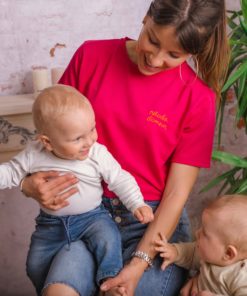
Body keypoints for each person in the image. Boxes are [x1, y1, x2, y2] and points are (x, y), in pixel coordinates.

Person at [20, 0, 230, 295]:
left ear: (192, 53)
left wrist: (139, 263)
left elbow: (176, 194)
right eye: (153, 41)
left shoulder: (199, 99)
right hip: (84, 215)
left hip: (151, 224)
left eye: (174, 54)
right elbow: (48, 138)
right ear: (146, 18)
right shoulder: (91, 56)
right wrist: (29, 184)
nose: (155, 60)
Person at [0, 84, 154, 295]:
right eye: (77, 138)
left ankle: (110, 281)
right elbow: (10, 172)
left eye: (92, 129)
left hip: (92, 218)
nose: (90, 140)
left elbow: (119, 178)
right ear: (48, 142)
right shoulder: (34, 154)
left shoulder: (96, 153)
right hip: (50, 225)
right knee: (35, 263)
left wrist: (137, 203)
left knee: (108, 239)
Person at [154, 194, 247, 296]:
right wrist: (174, 252)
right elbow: (191, 253)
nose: (197, 232)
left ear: (228, 253)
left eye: (205, 233)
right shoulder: (211, 254)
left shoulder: (240, 276)